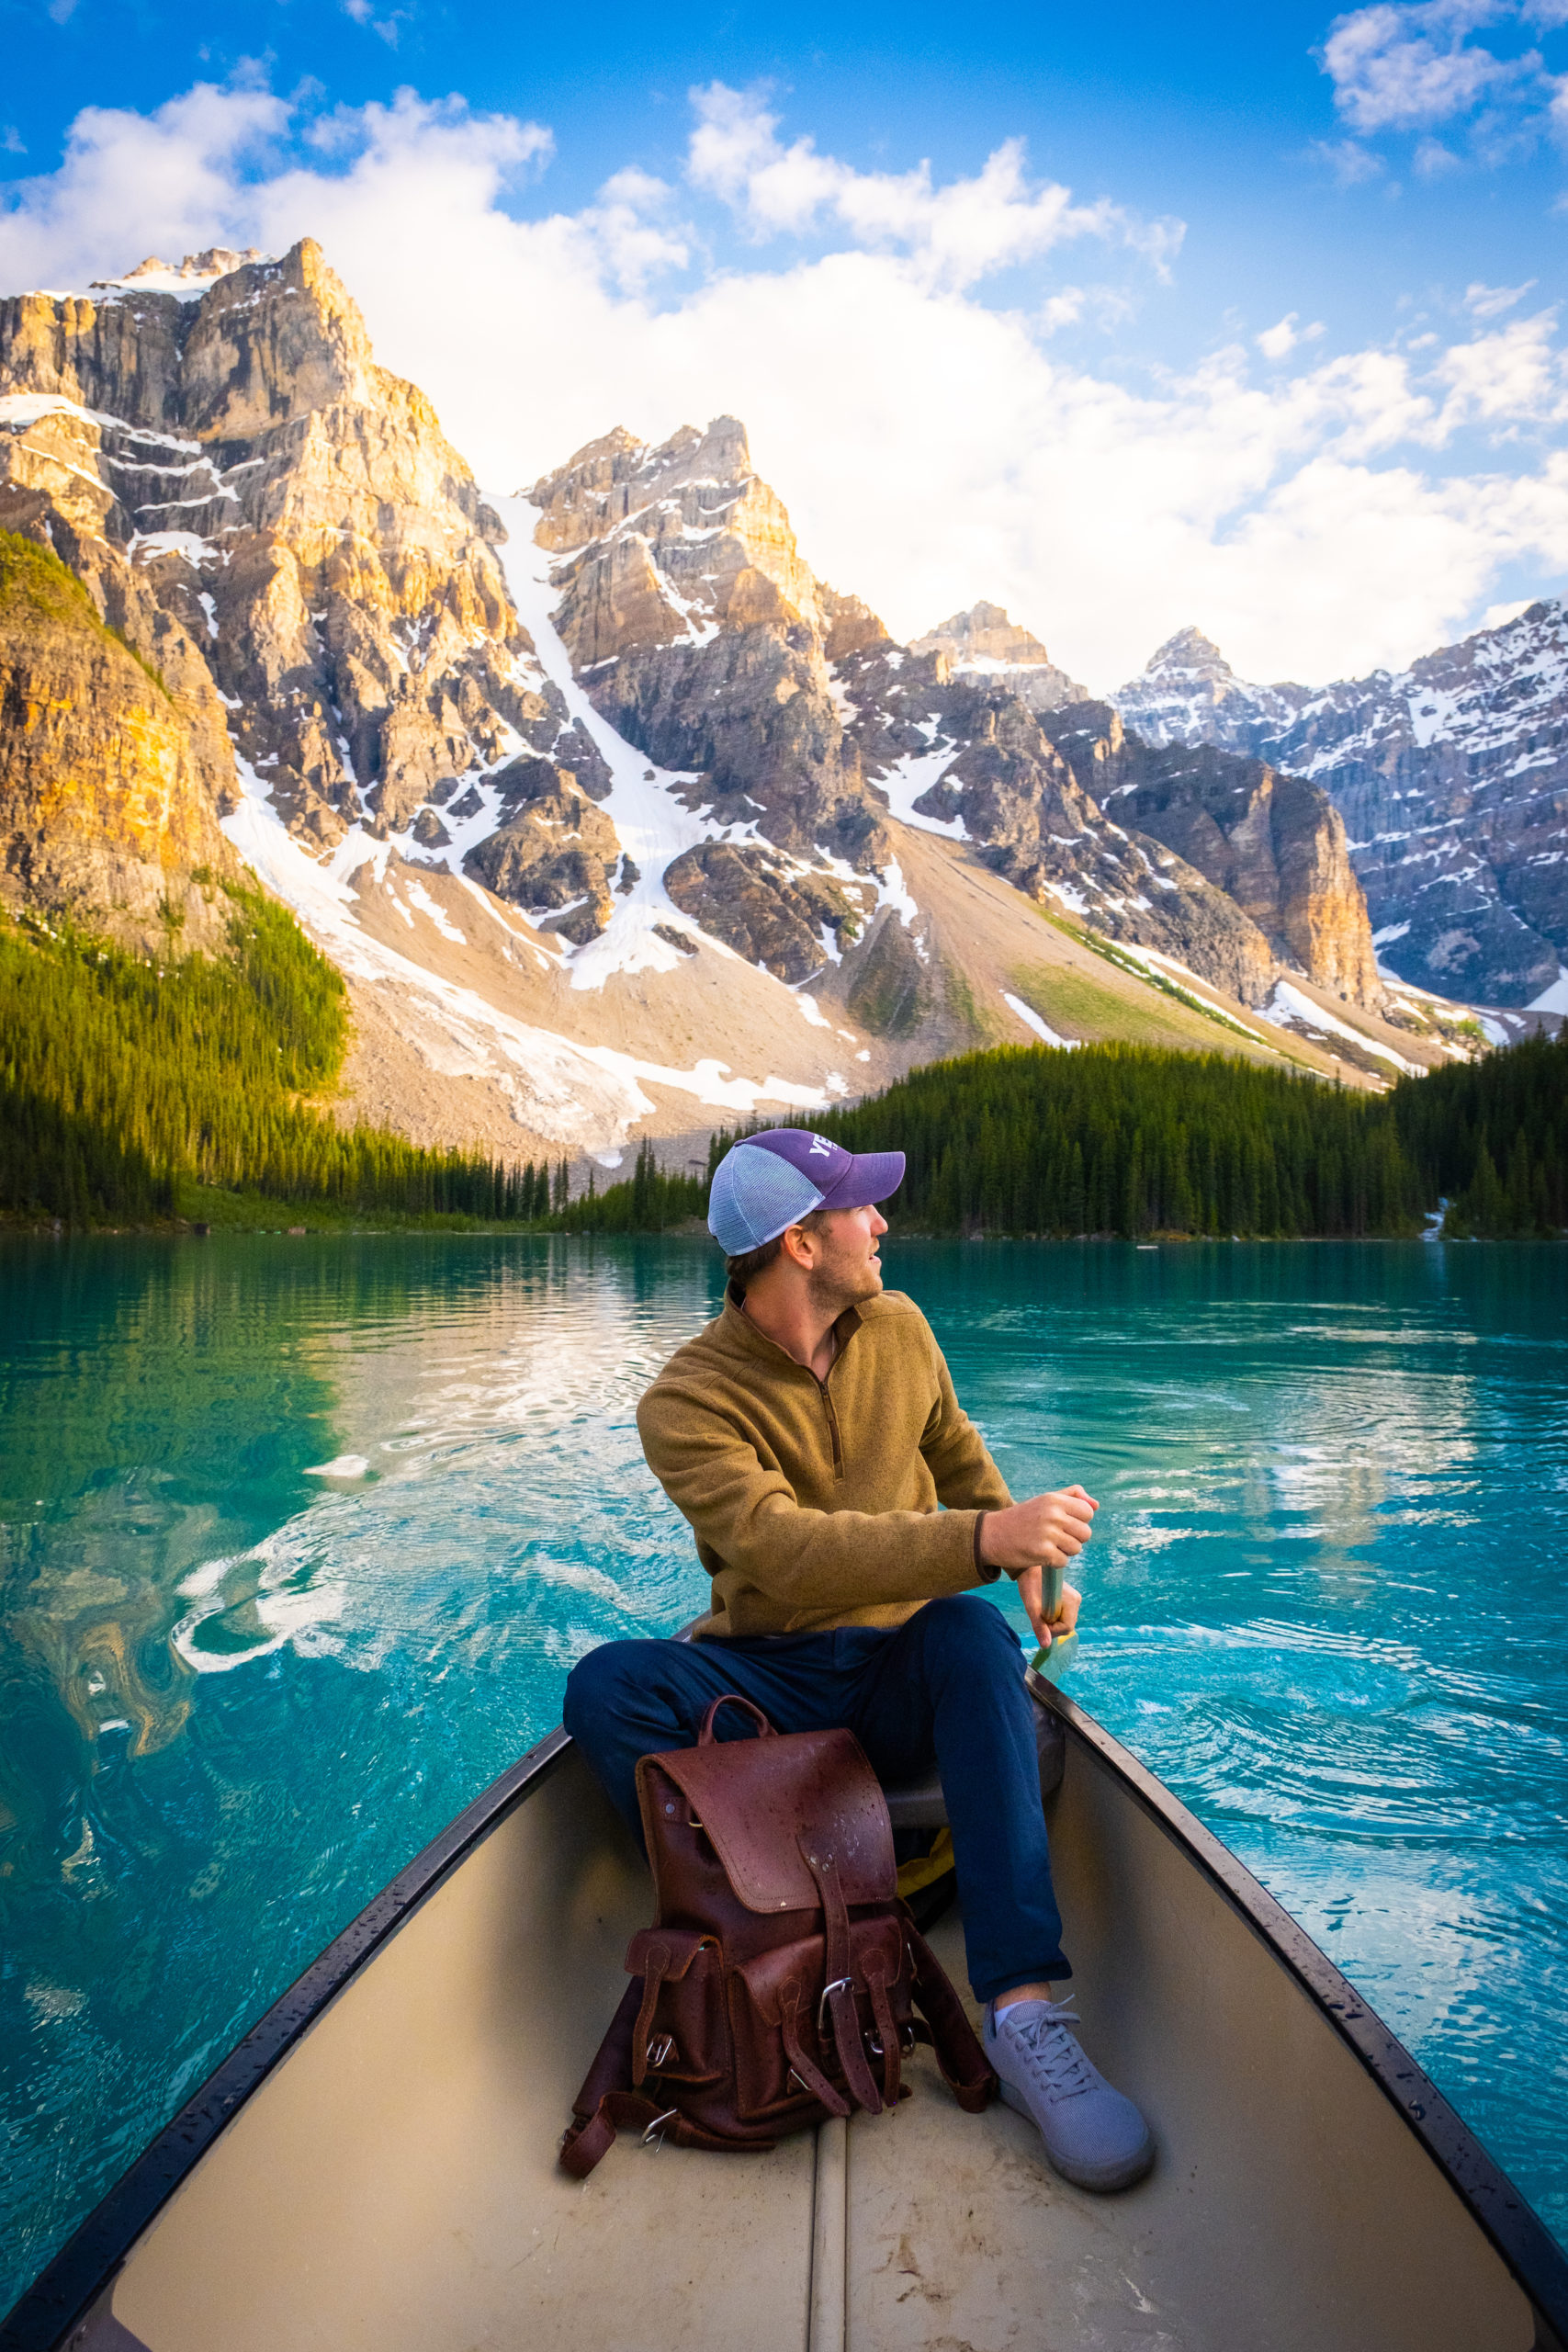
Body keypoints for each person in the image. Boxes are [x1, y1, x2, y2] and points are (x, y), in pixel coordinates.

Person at [563, 1127, 1154, 2193]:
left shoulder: (902, 1327)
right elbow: (782, 1552)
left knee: (972, 1637)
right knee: (605, 1687)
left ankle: (1020, 2013)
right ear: (798, 1241)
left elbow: (959, 1453)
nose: (883, 1222)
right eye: (861, 1208)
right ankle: (767, 1922)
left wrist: (1021, 1557)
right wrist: (981, 1540)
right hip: (768, 1684)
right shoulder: (685, 1401)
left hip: (893, 1668)